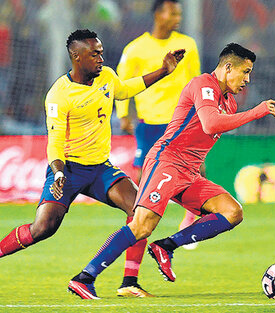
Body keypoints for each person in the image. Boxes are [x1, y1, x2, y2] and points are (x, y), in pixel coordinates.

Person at [68, 42, 275, 299]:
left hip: (189, 173)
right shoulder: (203, 84)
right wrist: (256, 113)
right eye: (245, 72)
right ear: (227, 68)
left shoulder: (230, 103)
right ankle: (84, 278)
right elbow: (211, 124)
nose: (248, 79)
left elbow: (204, 136)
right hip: (166, 161)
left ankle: (167, 246)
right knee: (142, 225)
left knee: (232, 211)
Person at [0, 29, 184, 298]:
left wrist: (164, 70)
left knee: (141, 211)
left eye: (101, 52)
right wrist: (59, 172)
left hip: (100, 168)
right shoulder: (59, 95)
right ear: (76, 56)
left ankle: (129, 282)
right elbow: (55, 141)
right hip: (69, 170)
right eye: (94, 53)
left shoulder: (107, 76)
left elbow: (125, 90)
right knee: (43, 229)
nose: (101, 57)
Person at [115, 0, 201, 254]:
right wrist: (122, 115)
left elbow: (195, 80)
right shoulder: (135, 49)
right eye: (173, 13)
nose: (177, 17)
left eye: (179, 13)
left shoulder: (188, 45)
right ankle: (138, 224)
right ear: (157, 14)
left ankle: (190, 219)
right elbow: (124, 82)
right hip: (149, 122)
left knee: (197, 171)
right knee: (141, 182)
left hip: (181, 120)